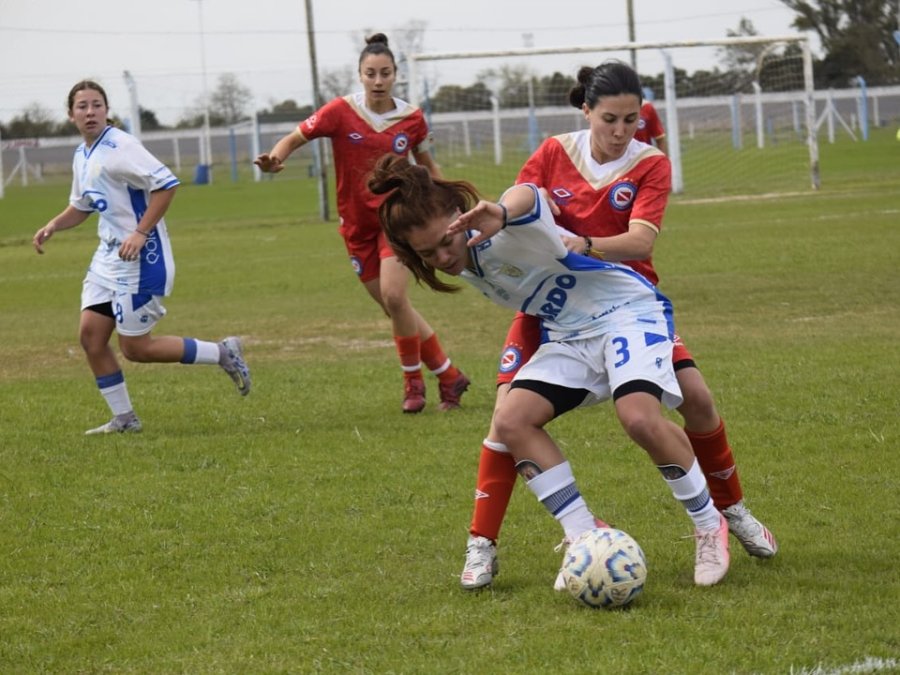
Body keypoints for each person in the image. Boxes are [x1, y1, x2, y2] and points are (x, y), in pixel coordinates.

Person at [460, 61, 777, 590]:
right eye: (609, 118)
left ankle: (729, 513)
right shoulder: (555, 152)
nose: (620, 131)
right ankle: (485, 545)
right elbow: (522, 201)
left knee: (694, 401)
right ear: (585, 110)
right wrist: (498, 208)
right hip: (551, 306)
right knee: (505, 422)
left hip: (626, 304)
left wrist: (584, 244)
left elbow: (641, 242)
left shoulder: (650, 163)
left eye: (632, 120)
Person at [370, 154, 731, 587]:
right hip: (569, 335)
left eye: (446, 242)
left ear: (460, 216)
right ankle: (583, 535)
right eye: (427, 253)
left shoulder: (503, 225)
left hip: (626, 313)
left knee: (639, 418)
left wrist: (501, 212)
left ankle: (710, 524)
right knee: (510, 421)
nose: (444, 257)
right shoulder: (457, 257)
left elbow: (529, 196)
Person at [254, 33, 468, 414]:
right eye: (371, 73)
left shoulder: (412, 118)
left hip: (397, 221)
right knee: (395, 308)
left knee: (395, 297)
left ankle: (413, 385)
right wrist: (275, 158)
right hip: (355, 226)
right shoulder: (339, 111)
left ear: (395, 75)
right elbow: (295, 137)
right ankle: (449, 375)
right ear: (360, 75)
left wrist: (455, 200)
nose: (378, 80)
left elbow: (428, 166)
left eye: (385, 73)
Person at [32, 80, 251, 434]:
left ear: (107, 109)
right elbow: (83, 204)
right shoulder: (82, 154)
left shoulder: (121, 146)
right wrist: (54, 225)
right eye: (83, 106)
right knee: (91, 337)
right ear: (70, 114)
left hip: (141, 258)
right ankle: (125, 419)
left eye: (97, 105)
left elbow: (167, 185)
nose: (91, 112)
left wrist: (140, 231)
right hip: (108, 258)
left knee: (136, 348)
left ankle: (223, 352)